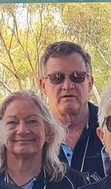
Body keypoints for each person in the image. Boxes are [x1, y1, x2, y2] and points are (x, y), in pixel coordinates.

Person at [38, 41, 105, 179]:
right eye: (57, 78)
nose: (67, 86)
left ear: (90, 83)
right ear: (43, 85)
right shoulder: (31, 136)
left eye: (77, 77)